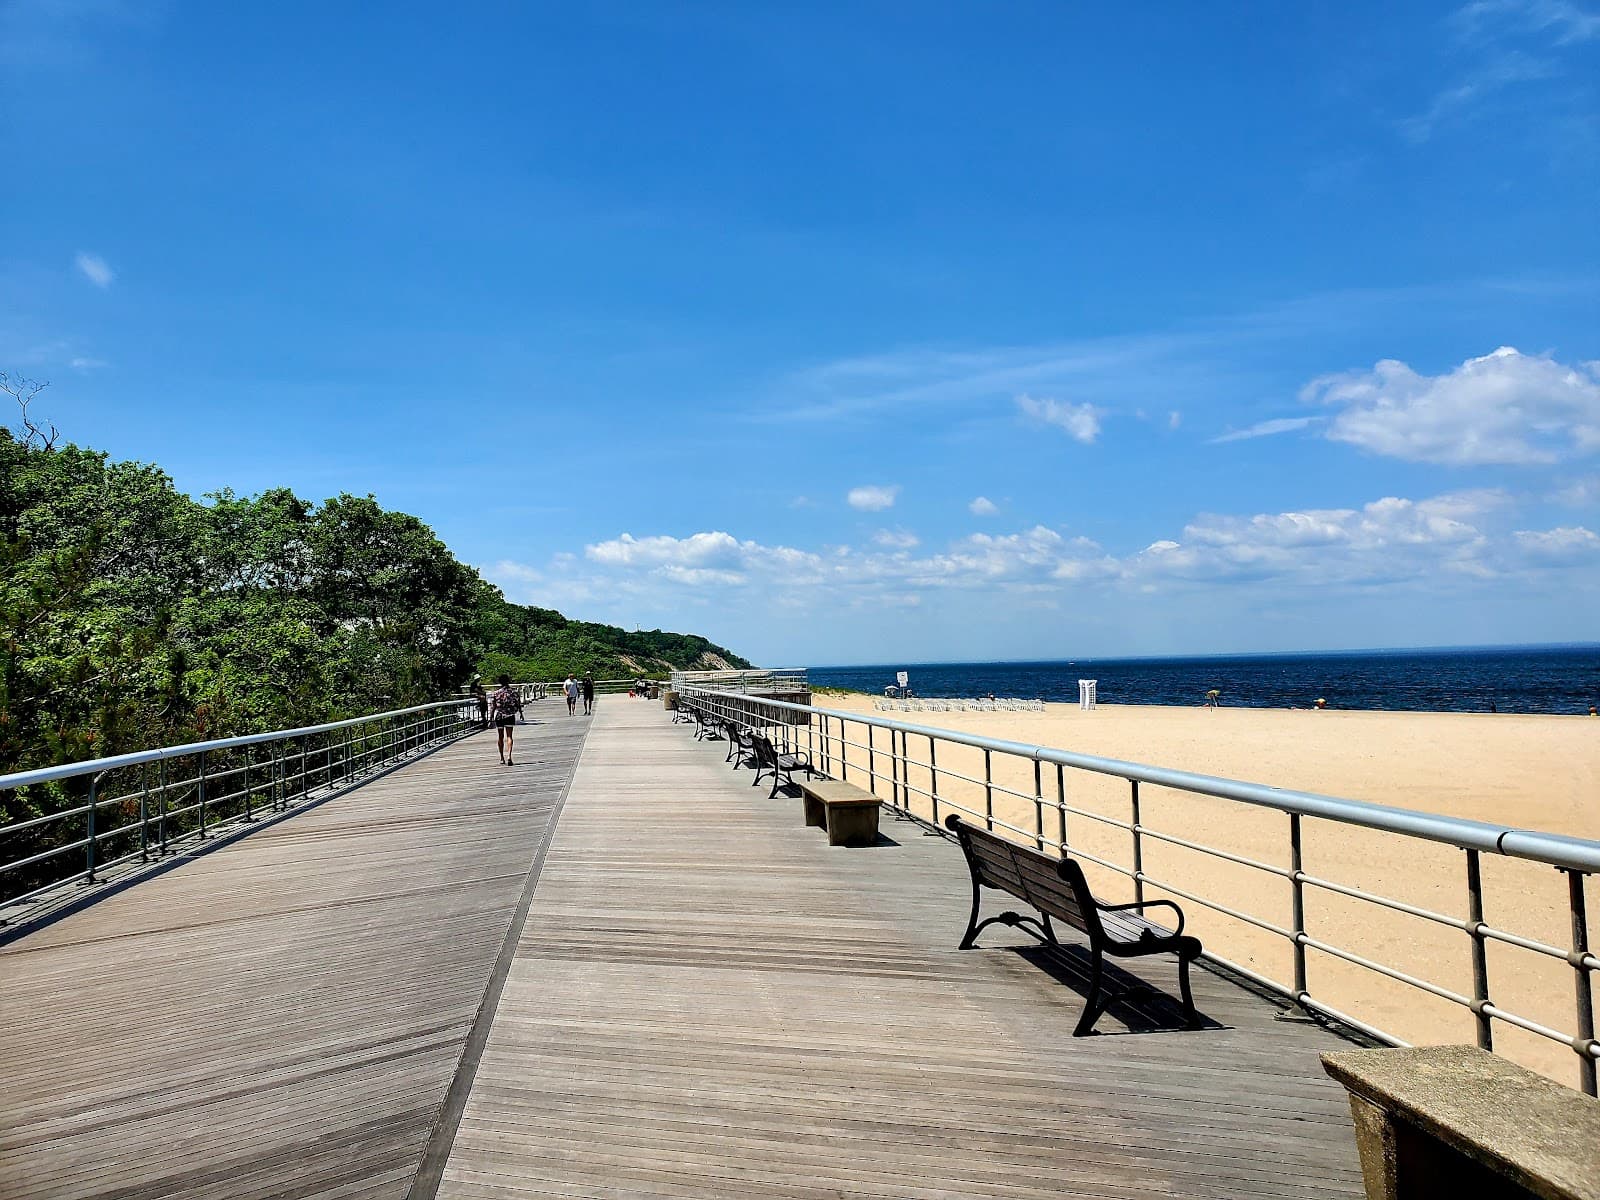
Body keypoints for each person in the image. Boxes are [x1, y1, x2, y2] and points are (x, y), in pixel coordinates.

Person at [490, 675, 523, 765]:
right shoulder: (514, 692)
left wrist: (491, 718)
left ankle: (501, 758)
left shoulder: (496, 693)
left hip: (499, 716)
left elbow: (493, 707)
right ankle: (509, 756)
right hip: (510, 715)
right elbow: (518, 704)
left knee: (500, 737)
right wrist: (521, 714)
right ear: (508, 681)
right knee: (509, 736)